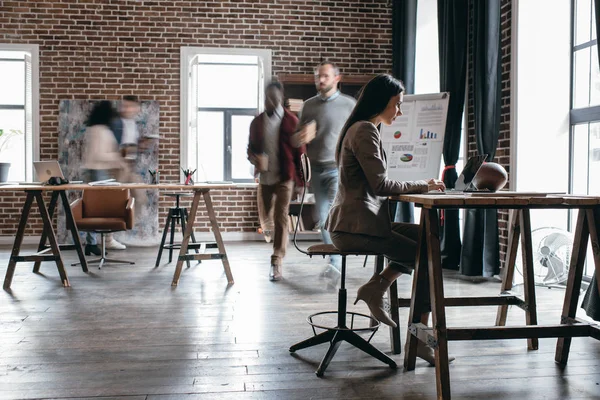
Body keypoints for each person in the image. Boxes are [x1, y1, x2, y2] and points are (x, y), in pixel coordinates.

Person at [325, 74, 449, 365]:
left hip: (359, 224)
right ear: (382, 102)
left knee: (427, 237)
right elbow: (381, 185)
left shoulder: (362, 129)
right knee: (429, 255)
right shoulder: (365, 130)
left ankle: (377, 286)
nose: (400, 111)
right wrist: (423, 184)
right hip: (356, 228)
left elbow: (377, 183)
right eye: (398, 104)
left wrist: (419, 183)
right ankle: (420, 339)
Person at [293, 61, 356, 280]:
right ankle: (336, 259)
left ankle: (336, 262)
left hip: (339, 169)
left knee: (330, 214)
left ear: (337, 79)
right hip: (316, 171)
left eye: (325, 76)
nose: (320, 80)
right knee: (322, 216)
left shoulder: (350, 105)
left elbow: (358, 135)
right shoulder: (308, 106)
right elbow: (296, 139)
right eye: (318, 76)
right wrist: (301, 136)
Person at [248, 81, 306, 281]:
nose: (270, 101)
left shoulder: (292, 121)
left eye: (274, 98)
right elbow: (251, 148)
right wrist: (254, 159)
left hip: (285, 177)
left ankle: (276, 259)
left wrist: (300, 181)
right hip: (265, 177)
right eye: (267, 98)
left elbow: (300, 153)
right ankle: (276, 242)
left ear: (281, 98)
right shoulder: (256, 123)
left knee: (281, 215)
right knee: (266, 219)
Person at [81, 101, 126, 255]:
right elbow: (98, 154)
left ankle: (92, 243)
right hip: (98, 172)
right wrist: (118, 156)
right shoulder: (100, 130)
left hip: (99, 172)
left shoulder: (95, 129)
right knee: (99, 210)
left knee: (93, 210)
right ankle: (101, 242)